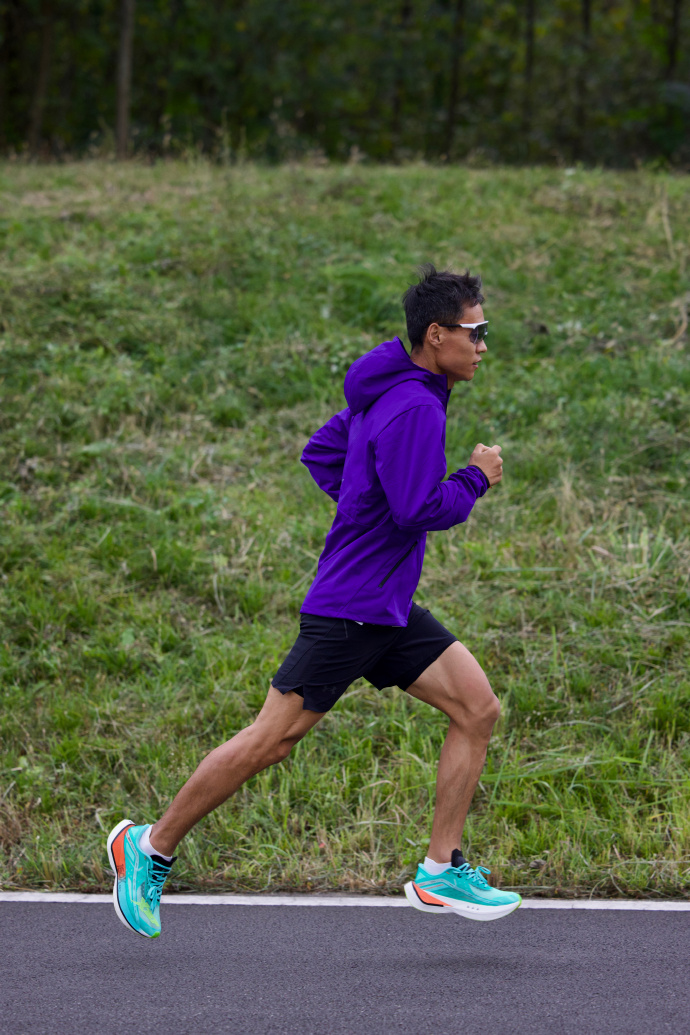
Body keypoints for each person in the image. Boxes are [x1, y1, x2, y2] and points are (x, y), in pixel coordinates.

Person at [106, 263, 521, 938]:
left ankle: (440, 867)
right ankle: (148, 846)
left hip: (384, 604)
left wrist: (364, 513)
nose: (483, 346)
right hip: (353, 606)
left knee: (477, 708)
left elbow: (323, 453)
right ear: (437, 334)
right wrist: (475, 477)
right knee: (273, 739)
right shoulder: (416, 405)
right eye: (475, 332)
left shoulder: (388, 390)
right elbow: (419, 507)